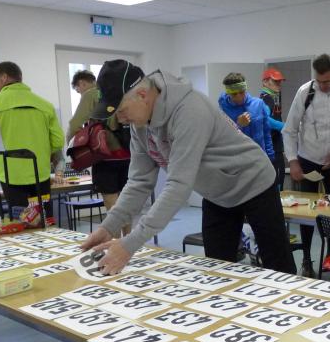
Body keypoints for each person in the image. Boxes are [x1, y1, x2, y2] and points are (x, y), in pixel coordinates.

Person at [80, 59, 295, 275]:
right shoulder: (140, 125)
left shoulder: (189, 110)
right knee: (218, 269)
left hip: (255, 182)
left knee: (278, 266)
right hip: (217, 193)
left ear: (142, 95)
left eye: (121, 110)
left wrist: (129, 245)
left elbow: (178, 185)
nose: (120, 119)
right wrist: (108, 227)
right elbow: (139, 182)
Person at [282, 53, 330, 276]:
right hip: (307, 160)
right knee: (306, 212)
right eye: (319, 80)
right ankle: (307, 259)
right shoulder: (305, 92)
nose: (323, 85)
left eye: (328, 81)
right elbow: (289, 130)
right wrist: (293, 161)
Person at [0, 61, 64, 217]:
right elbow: (58, 141)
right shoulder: (45, 105)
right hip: (40, 173)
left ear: (4, 77)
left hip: (10, 175)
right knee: (44, 219)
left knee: (21, 220)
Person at [67, 69, 132, 235]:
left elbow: (75, 123)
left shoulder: (90, 95)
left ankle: (115, 242)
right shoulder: (119, 92)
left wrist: (72, 145)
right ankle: (128, 239)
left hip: (105, 155)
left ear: (82, 83)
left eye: (77, 89)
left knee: (111, 200)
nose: (79, 92)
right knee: (125, 199)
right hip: (127, 153)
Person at [219, 72, 274, 160]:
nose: (239, 97)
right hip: (237, 159)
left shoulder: (258, 104)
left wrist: (270, 156)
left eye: (241, 92)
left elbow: (266, 132)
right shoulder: (224, 109)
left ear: (245, 89)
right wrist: (239, 125)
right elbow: (223, 139)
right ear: (228, 93)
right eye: (234, 94)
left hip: (259, 157)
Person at [260, 68, 286, 188]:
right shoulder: (267, 98)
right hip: (273, 147)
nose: (279, 84)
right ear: (265, 82)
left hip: (274, 145)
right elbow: (265, 120)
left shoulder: (270, 97)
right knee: (278, 181)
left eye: (280, 81)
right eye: (275, 81)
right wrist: (285, 126)